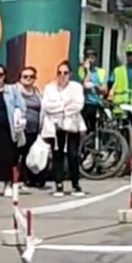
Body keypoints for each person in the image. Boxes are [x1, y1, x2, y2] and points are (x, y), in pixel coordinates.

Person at [40, 62, 87, 198]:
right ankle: (59, 184)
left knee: (73, 155)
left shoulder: (76, 87)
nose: (62, 76)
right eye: (59, 72)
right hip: (55, 127)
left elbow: (78, 105)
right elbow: (47, 106)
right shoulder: (50, 88)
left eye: (65, 73)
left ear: (70, 74)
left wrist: (60, 108)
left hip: (72, 126)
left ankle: (75, 184)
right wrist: (64, 105)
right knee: (57, 155)